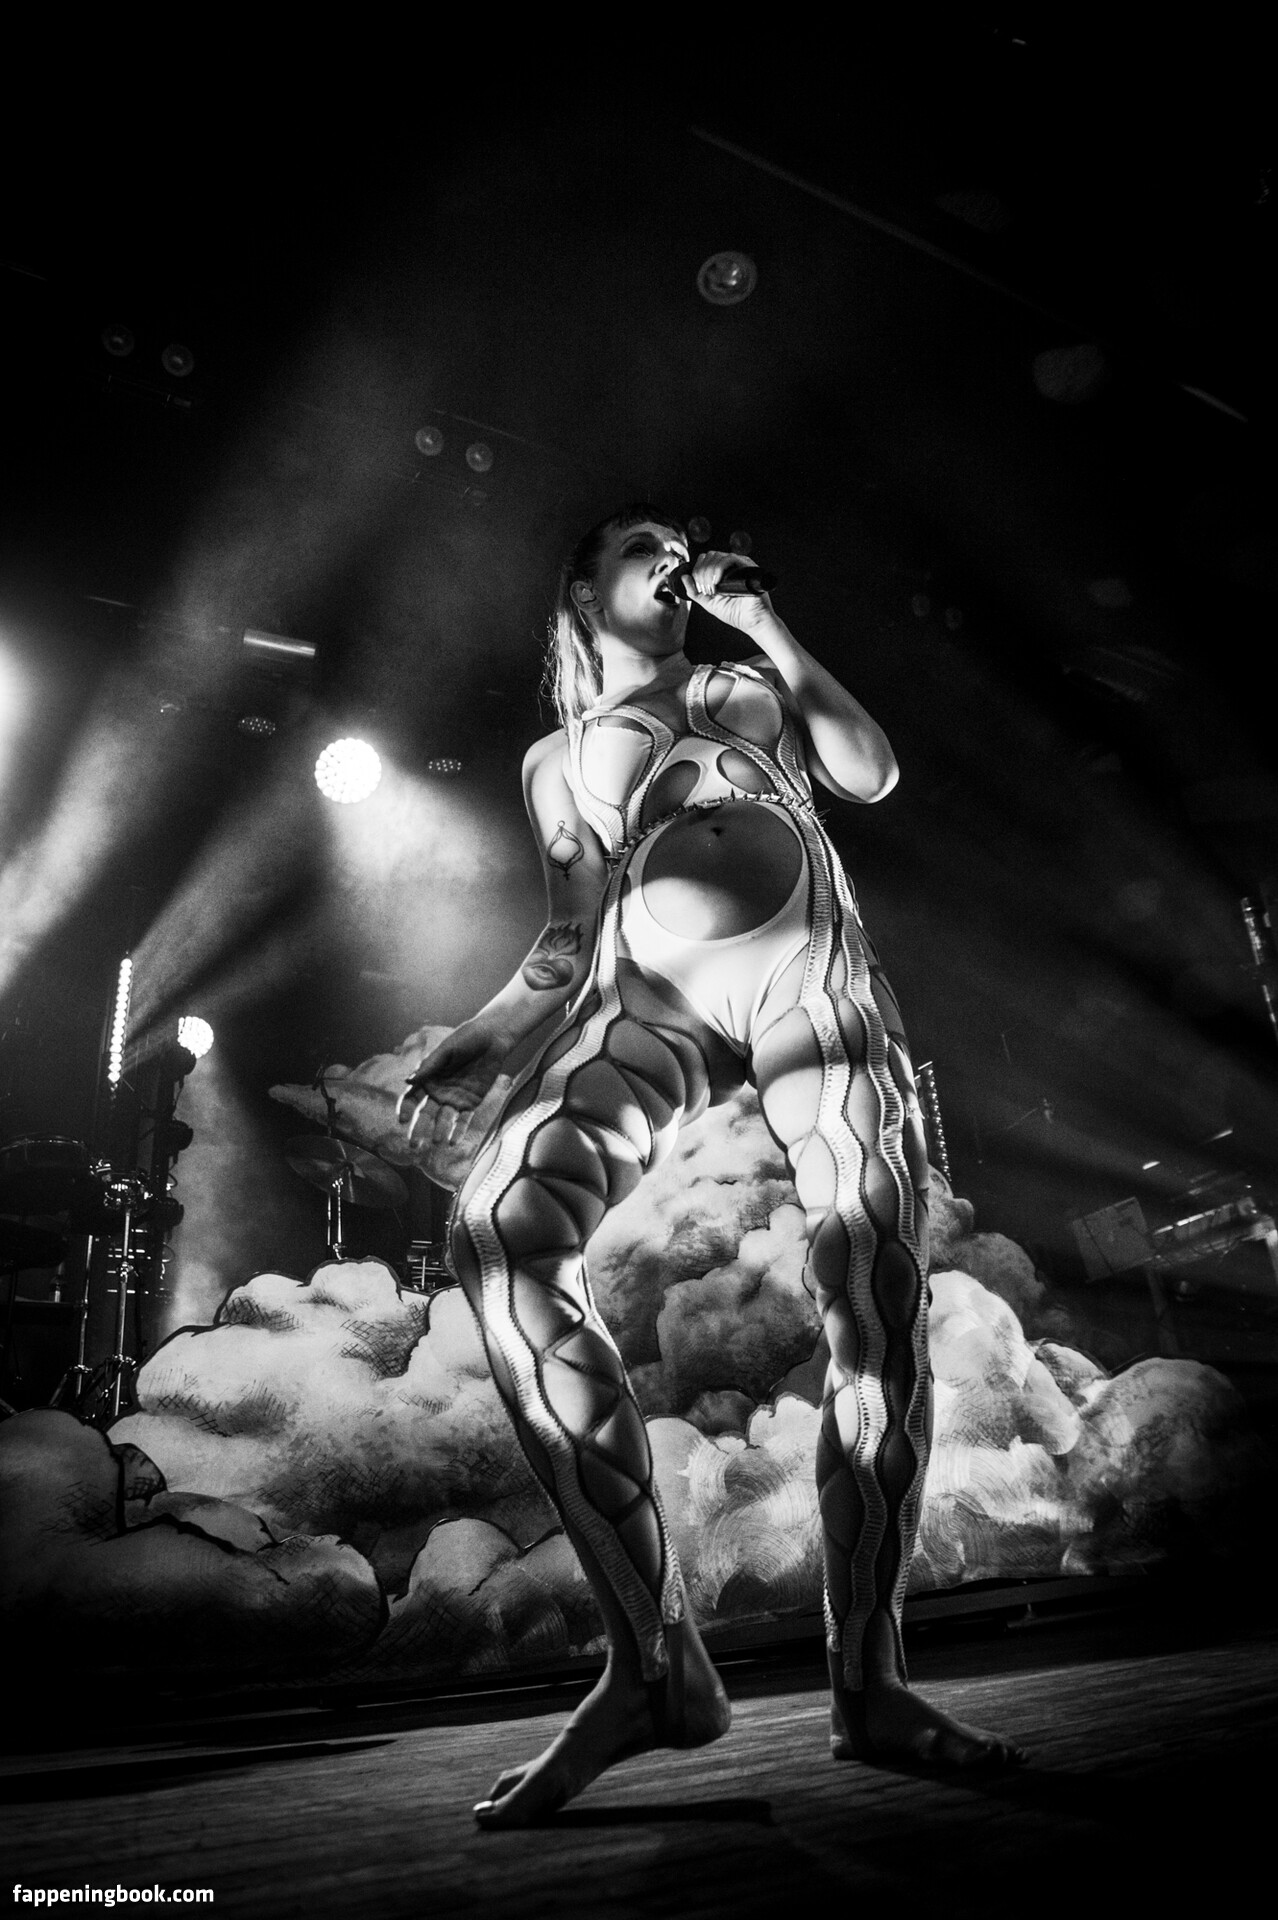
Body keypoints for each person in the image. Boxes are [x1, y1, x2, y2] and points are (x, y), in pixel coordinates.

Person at [400, 506, 1023, 1827]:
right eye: (642, 544)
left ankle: (871, 1684)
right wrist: (475, 1042)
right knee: (498, 1230)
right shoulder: (554, 762)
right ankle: (651, 1663)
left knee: (872, 1281)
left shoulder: (745, 677)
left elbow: (866, 773)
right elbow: (562, 945)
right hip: (650, 1000)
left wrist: (764, 621)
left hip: (808, 977)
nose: (672, 558)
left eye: (681, 544)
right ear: (583, 594)